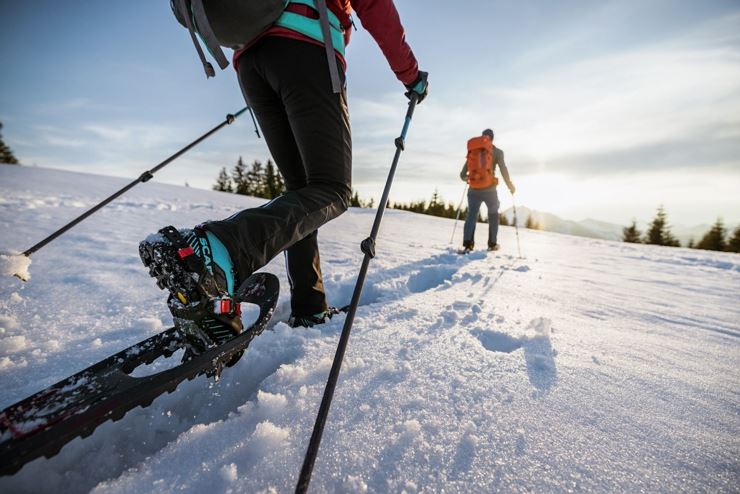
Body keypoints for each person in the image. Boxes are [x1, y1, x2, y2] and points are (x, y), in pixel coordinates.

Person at [139, 0, 428, 346]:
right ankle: (219, 248)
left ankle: (309, 306)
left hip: (251, 62)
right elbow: (375, 6)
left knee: (302, 191)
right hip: (306, 48)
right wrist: (410, 75)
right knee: (332, 189)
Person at [459, 129, 515, 252]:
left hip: (473, 190)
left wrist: (471, 178)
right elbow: (503, 170)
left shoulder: (474, 150)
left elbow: (462, 174)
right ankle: (492, 244)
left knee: (472, 215)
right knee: (493, 215)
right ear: (492, 138)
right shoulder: (498, 152)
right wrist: (510, 186)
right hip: (490, 190)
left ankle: (468, 244)